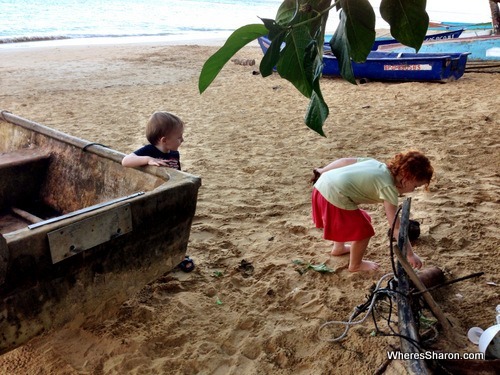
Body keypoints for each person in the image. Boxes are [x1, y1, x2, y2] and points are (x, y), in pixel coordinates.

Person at [311, 150, 434, 273]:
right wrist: (410, 254)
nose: (413, 190)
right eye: (415, 186)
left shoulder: (376, 164)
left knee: (363, 218)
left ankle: (339, 247)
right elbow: (396, 227)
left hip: (322, 185)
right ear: (407, 178)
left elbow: (344, 161)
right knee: (364, 231)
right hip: (334, 195)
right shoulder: (388, 187)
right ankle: (355, 265)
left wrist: (322, 171)